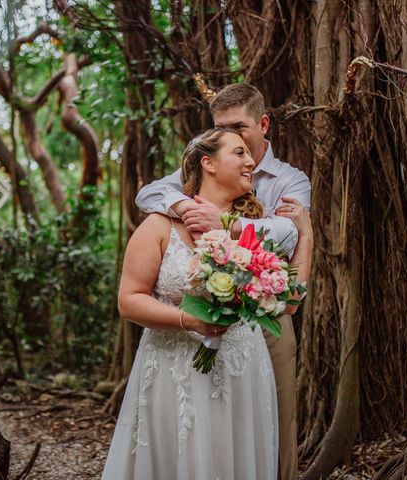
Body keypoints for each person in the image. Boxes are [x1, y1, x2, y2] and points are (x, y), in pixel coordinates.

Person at [135, 83, 311, 479]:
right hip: (196, 318)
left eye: (239, 127)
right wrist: (184, 204)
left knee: (271, 418)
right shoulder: (203, 168)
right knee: (201, 424)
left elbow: (287, 232)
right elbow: (149, 193)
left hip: (264, 314)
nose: (232, 136)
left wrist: (225, 223)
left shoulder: (289, 179)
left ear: (263, 124)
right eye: (220, 127)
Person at [102, 128, 279, 479]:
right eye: (240, 153)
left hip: (242, 365)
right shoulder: (159, 225)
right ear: (208, 163)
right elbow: (129, 301)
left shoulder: (254, 230)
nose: (251, 161)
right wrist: (191, 321)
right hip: (175, 370)